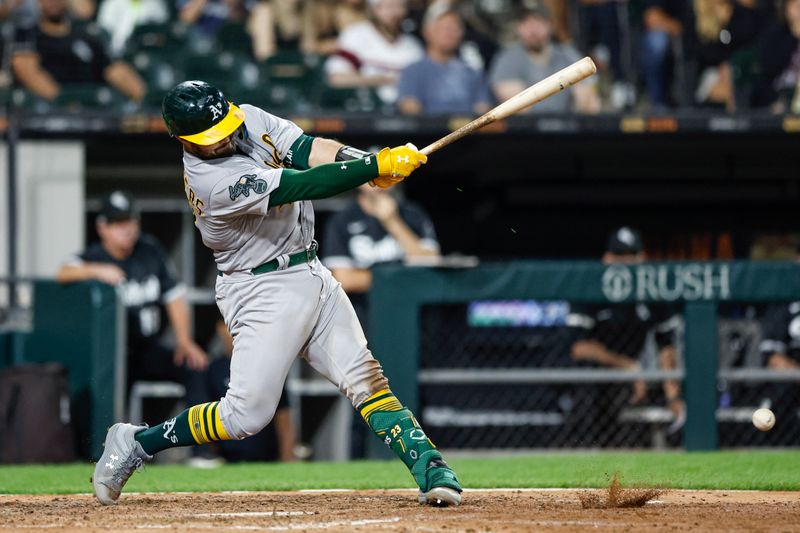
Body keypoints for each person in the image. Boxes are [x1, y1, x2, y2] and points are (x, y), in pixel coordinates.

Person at [91, 80, 462, 508]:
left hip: (310, 269)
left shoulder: (247, 117)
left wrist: (365, 163)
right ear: (184, 141)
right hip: (259, 289)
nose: (226, 138)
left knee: (364, 376)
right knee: (246, 416)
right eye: (211, 139)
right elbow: (301, 185)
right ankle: (137, 441)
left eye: (226, 127)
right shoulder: (212, 181)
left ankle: (430, 466)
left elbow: (306, 149)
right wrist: (373, 166)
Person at [55, 191, 210, 419]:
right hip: (114, 354)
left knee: (193, 366)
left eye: (129, 220)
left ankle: (202, 450)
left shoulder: (150, 250)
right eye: (117, 223)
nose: (126, 228)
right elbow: (63, 273)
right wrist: (97, 270)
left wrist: (184, 342)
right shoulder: (95, 256)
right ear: (103, 228)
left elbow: (174, 296)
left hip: (148, 348)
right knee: (106, 391)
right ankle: (105, 449)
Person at [564, 227, 682, 446]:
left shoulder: (653, 290)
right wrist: (629, 367)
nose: (626, 263)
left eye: (632, 257)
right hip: (587, 373)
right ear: (607, 258)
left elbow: (666, 347)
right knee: (587, 382)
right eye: (620, 257)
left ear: (642, 258)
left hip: (630, 375)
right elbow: (578, 348)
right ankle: (580, 450)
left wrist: (673, 396)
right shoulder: (589, 286)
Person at [323, 184, 439, 328]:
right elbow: (344, 279)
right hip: (364, 319)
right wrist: (404, 278)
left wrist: (392, 221)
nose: (376, 181)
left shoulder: (413, 214)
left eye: (383, 172)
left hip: (411, 318)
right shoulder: (342, 219)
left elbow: (431, 264)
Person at [11, 0, 146, 104]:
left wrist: (141, 97)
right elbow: (27, 71)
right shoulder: (27, 36)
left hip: (94, 112)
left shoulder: (85, 36)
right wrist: (66, 102)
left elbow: (114, 70)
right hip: (54, 116)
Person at [205, 316, 297, 462]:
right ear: (220, 328)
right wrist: (211, 457)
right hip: (227, 460)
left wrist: (287, 459)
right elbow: (207, 415)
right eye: (229, 324)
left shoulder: (268, 365)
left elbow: (283, 417)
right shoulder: (213, 370)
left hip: (266, 457)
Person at [488, 4, 600, 114]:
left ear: (550, 25)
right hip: (524, 130)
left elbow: (590, 103)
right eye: (525, 23)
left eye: (538, 22)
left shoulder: (567, 55)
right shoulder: (508, 59)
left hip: (566, 126)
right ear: (518, 28)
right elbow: (520, 108)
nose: (532, 30)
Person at [397, 5, 492, 115]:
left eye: (455, 29)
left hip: (468, 129)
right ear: (427, 31)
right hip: (429, 130)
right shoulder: (413, 71)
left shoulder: (472, 72)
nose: (449, 34)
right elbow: (410, 107)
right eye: (444, 28)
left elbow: (483, 108)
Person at [325, 0, 424, 104]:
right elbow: (336, 79)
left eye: (399, 6)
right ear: (373, 9)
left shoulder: (413, 46)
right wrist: (382, 80)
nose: (394, 13)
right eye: (388, 6)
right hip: (363, 109)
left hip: (404, 113)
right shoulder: (355, 35)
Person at [751, 0, 800, 111]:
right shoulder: (775, 34)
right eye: (796, 6)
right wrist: (794, 37)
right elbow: (769, 70)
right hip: (780, 95)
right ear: (786, 9)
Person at [640, 0, 687, 109]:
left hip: (701, 36)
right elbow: (652, 18)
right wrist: (680, 27)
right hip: (673, 34)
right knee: (657, 41)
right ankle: (658, 103)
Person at [96, 0, 169, 57]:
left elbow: (161, 32)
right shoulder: (112, 3)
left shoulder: (155, 5)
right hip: (112, 52)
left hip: (141, 54)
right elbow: (102, 31)